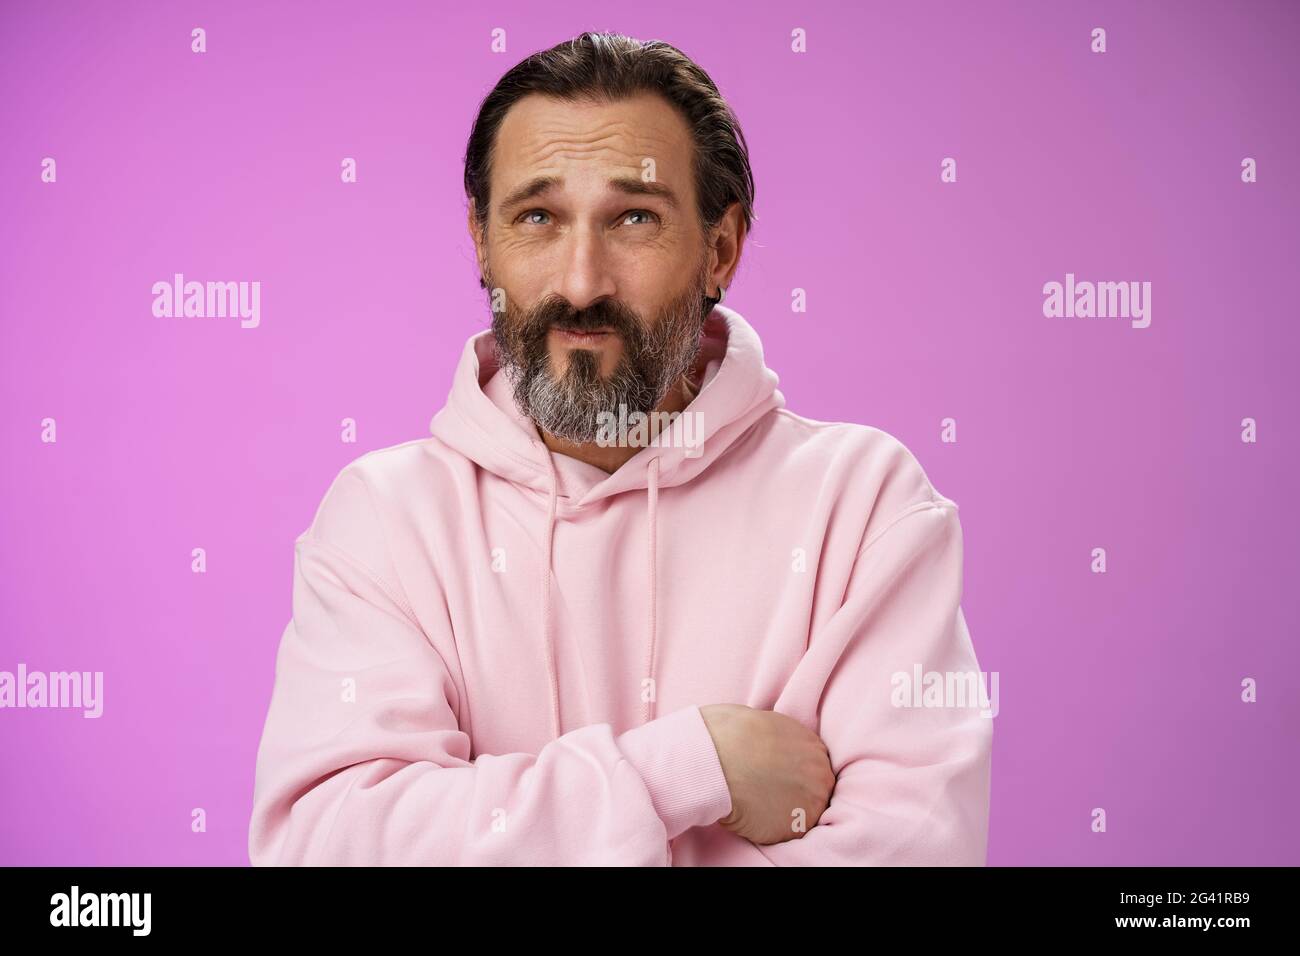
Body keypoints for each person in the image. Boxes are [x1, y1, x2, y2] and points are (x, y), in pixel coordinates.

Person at [248, 31, 992, 866]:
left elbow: (915, 850)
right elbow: (329, 846)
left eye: (634, 218)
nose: (580, 282)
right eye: (537, 217)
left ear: (721, 248)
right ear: (482, 241)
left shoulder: (863, 506)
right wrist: (687, 767)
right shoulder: (383, 520)